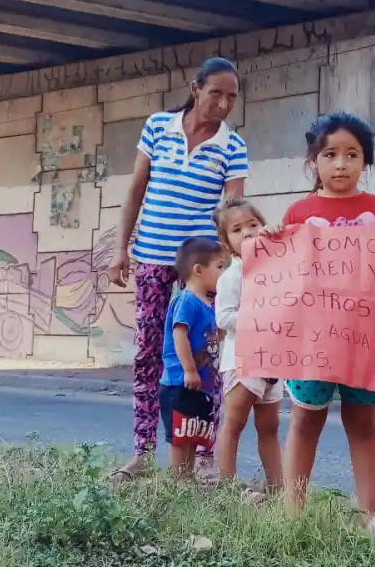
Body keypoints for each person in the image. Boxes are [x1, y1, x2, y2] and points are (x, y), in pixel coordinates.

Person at [261, 112, 375, 538]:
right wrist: (277, 237)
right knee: (305, 421)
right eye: (330, 154)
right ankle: (292, 513)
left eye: (352, 155)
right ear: (314, 160)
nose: (340, 164)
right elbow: (285, 275)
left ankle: (372, 514)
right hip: (314, 343)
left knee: (363, 421)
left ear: (365, 163)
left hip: (366, 343)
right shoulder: (299, 212)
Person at [106, 57, 249, 484]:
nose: (224, 103)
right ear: (194, 88)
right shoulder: (157, 127)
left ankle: (204, 456)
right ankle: (143, 452)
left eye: (232, 97)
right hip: (151, 256)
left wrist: (237, 265)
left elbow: (234, 212)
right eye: (216, 93)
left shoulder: (233, 146)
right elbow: (135, 191)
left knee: (206, 358)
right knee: (149, 355)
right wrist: (120, 249)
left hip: (203, 270)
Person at [212, 198, 282, 501]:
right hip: (242, 359)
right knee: (235, 422)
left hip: (273, 361)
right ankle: (227, 486)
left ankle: (278, 487)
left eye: (253, 225)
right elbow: (223, 317)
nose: (249, 233)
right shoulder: (232, 276)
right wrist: (257, 316)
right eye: (238, 230)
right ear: (227, 243)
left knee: (270, 425)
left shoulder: (278, 270)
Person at [158, 237, 226, 480]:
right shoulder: (187, 301)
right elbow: (179, 334)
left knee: (191, 433)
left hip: (199, 384)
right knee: (180, 436)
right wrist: (189, 370)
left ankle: (186, 479)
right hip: (180, 382)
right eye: (220, 267)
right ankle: (178, 482)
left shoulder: (208, 304)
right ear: (198, 270)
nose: (224, 273)